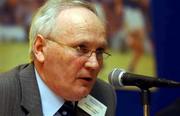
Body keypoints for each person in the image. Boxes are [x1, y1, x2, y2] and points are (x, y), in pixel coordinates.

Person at [0, 0, 117, 116]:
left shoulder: (103, 95)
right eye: (81, 48)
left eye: (100, 51)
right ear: (40, 48)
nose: (94, 64)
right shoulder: (4, 95)